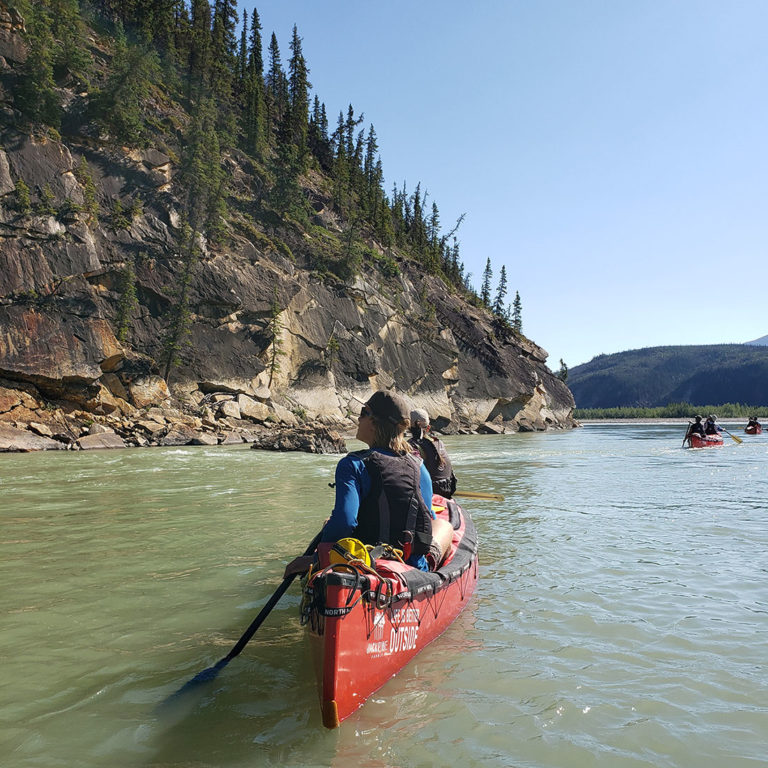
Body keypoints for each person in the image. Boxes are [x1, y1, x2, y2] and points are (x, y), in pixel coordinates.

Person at [284, 390, 455, 577]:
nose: (358, 419)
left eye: (363, 413)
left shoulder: (353, 465)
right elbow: (427, 518)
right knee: (444, 526)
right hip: (410, 568)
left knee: (330, 523)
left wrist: (317, 560)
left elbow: (345, 521)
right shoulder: (419, 467)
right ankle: (429, 568)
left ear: (375, 422)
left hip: (363, 563)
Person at [408, 408, 457, 498]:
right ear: (428, 428)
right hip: (448, 490)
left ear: (408, 427)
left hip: (431, 494)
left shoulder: (410, 446)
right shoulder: (439, 442)